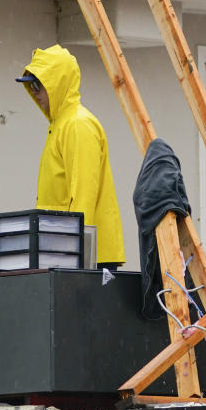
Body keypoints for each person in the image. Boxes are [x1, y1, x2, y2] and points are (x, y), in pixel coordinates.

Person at [17, 45, 125, 269]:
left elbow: (83, 195)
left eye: (39, 85)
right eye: (31, 86)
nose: (35, 93)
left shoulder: (77, 124)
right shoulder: (62, 125)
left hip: (84, 256)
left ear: (57, 84)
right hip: (66, 251)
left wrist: (79, 262)